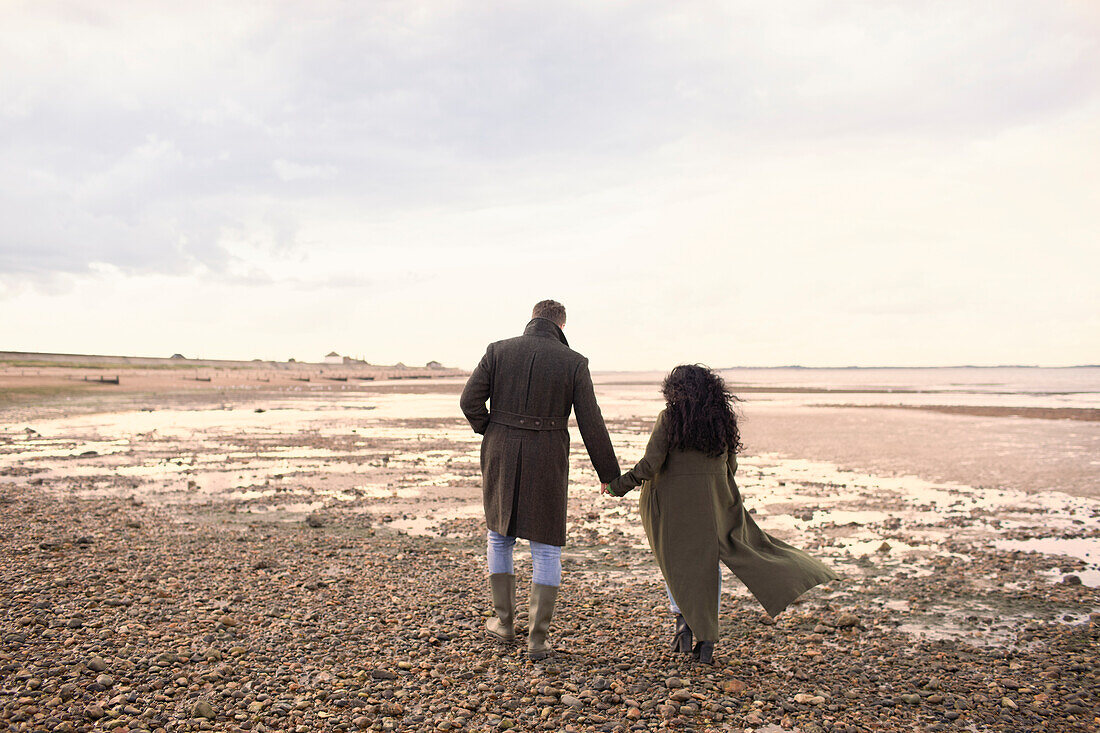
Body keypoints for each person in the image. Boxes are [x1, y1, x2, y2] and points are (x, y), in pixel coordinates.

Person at [605, 364, 838, 664]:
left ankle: (684, 625)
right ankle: (707, 642)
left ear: (675, 390)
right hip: (716, 501)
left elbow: (651, 464)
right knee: (714, 561)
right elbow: (732, 466)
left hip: (674, 504)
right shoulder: (721, 418)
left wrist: (617, 486)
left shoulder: (670, 417)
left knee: (674, 563)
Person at [461, 300, 620, 660]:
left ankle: (504, 625)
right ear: (561, 327)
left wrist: (492, 430)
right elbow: (591, 421)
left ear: (532, 319)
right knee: (545, 545)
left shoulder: (498, 350)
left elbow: (469, 400)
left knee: (499, 536)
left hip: (500, 449)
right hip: (547, 453)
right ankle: (537, 639)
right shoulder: (574, 362)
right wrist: (609, 476)